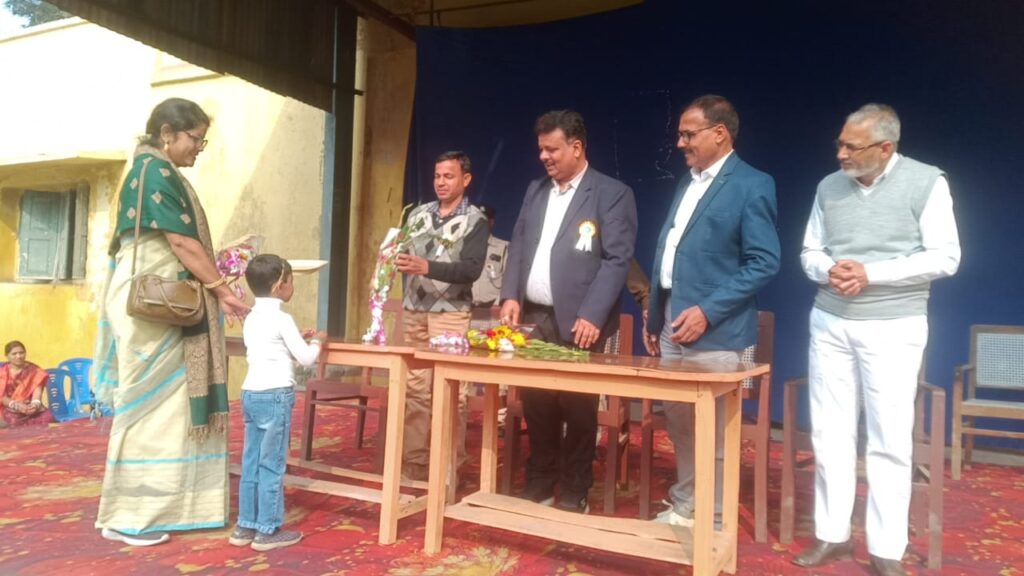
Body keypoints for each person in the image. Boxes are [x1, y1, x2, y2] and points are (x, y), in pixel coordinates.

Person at [793, 104, 960, 576]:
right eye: (840, 144)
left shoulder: (927, 182)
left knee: (888, 438)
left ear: (886, 148)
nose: (841, 153)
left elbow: (946, 257)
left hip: (893, 325)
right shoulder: (828, 186)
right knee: (829, 432)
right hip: (830, 321)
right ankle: (833, 535)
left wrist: (872, 274)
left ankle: (886, 548)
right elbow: (809, 250)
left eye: (852, 146)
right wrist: (830, 268)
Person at [92, 97, 250, 547]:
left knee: (167, 411)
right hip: (155, 307)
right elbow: (182, 243)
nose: (198, 148)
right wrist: (223, 291)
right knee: (148, 410)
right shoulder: (155, 172)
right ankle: (130, 516)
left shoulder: (149, 169)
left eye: (202, 140)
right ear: (167, 133)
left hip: (160, 303)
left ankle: (164, 508)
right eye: (195, 139)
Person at [645, 95, 781, 528]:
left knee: (716, 426)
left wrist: (707, 310)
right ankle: (688, 504)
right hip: (673, 323)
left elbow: (764, 261)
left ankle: (715, 518)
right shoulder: (688, 182)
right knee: (680, 423)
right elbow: (673, 251)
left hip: (715, 329)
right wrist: (656, 315)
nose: (680, 143)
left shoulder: (752, 184)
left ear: (719, 133)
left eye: (688, 134)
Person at [500, 109, 637, 513]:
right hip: (535, 317)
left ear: (577, 147)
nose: (543, 156)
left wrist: (593, 314)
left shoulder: (611, 193)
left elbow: (617, 259)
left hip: (581, 322)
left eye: (552, 149)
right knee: (538, 402)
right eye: (541, 149)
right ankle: (540, 479)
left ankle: (576, 488)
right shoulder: (535, 190)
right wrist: (510, 295)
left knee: (578, 407)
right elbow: (519, 245)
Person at [395, 150, 489, 481]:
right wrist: (394, 259)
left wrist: (427, 267)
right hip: (414, 311)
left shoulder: (475, 220)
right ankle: (415, 463)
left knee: (452, 392)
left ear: (466, 179)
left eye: (448, 176)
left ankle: (449, 466)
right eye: (437, 176)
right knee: (415, 389)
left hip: (450, 314)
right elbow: (401, 251)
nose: (441, 182)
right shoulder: (418, 214)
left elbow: (471, 270)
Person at [229, 254, 323, 551]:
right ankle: (267, 530)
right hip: (275, 394)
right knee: (272, 464)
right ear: (279, 286)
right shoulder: (282, 319)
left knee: (251, 462)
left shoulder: (251, 317)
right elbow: (305, 358)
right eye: (291, 282)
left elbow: (269, 345)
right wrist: (318, 340)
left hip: (251, 392)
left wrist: (296, 337)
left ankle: (245, 525)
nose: (292, 287)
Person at [0, 341, 54, 428]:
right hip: (10, 408)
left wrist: (34, 405)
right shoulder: (2, 372)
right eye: (14, 354)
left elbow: (37, 393)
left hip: (31, 408)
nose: (18, 356)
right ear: (7, 356)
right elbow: (2, 397)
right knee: (11, 421)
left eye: (21, 353)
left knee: (48, 418)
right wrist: (17, 406)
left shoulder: (35, 371)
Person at [471, 204, 510, 310]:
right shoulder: (461, 247)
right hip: (466, 308)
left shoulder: (504, 248)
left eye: (482, 220)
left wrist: (499, 303)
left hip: (494, 308)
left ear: (491, 222)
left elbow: (511, 281)